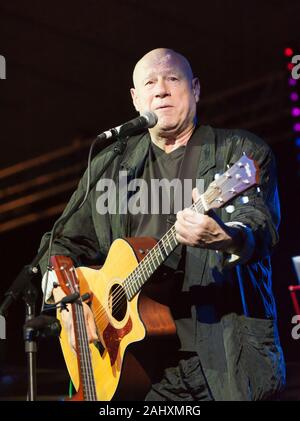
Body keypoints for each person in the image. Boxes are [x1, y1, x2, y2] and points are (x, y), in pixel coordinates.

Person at [39, 48, 286, 401]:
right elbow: (60, 244)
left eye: (172, 79)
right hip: (138, 371)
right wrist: (68, 305)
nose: (161, 90)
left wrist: (227, 238)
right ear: (136, 98)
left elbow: (259, 225)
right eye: (150, 82)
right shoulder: (112, 166)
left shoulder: (238, 153)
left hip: (223, 361)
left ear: (195, 89)